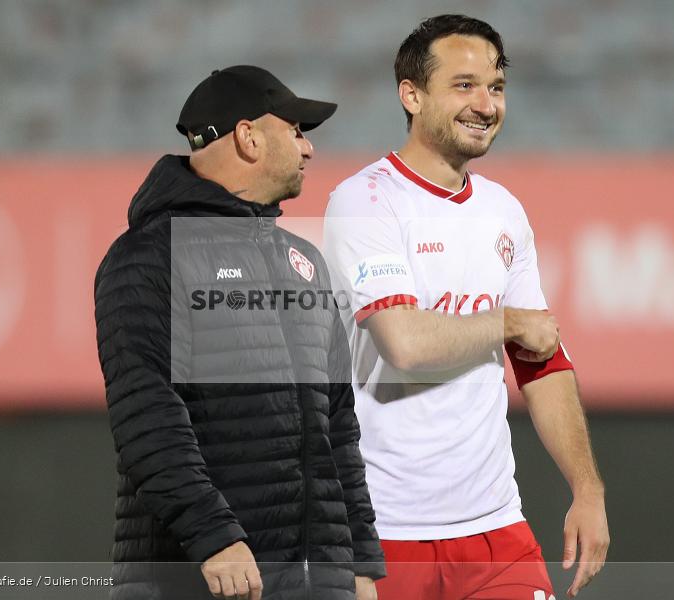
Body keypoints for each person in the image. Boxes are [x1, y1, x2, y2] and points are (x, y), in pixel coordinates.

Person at [323, 15, 609, 600]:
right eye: (464, 85)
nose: (486, 104)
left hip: (496, 529)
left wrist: (587, 489)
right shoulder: (365, 201)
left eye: (496, 87)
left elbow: (542, 362)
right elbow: (404, 344)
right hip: (385, 530)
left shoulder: (504, 211)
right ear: (412, 95)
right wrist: (507, 322)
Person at [94, 65, 385, 600]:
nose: (309, 148)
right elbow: (147, 414)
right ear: (248, 137)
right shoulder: (148, 256)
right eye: (295, 130)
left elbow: (339, 427)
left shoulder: (305, 262)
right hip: (204, 577)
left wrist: (358, 561)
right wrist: (214, 537)